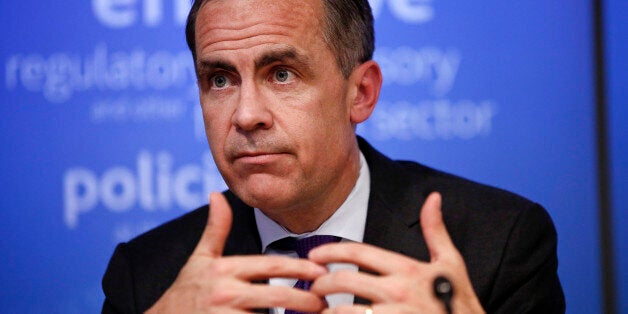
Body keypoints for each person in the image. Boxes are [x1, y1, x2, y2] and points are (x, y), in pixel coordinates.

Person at [102, 0, 565, 313]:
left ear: (360, 93)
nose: (245, 116)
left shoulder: (498, 243)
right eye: (220, 79)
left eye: (281, 74)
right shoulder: (149, 278)